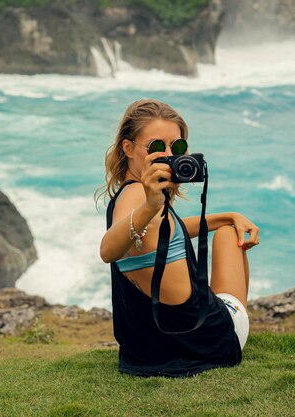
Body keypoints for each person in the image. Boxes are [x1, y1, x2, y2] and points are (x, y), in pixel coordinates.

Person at [96, 98, 260, 377]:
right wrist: (150, 204)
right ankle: (234, 322)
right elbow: (107, 250)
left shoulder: (128, 198)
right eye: (157, 147)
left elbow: (164, 230)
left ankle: (225, 225)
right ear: (128, 148)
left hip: (147, 353)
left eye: (178, 147)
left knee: (226, 225)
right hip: (209, 343)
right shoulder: (142, 200)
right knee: (228, 235)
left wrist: (225, 215)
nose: (169, 155)